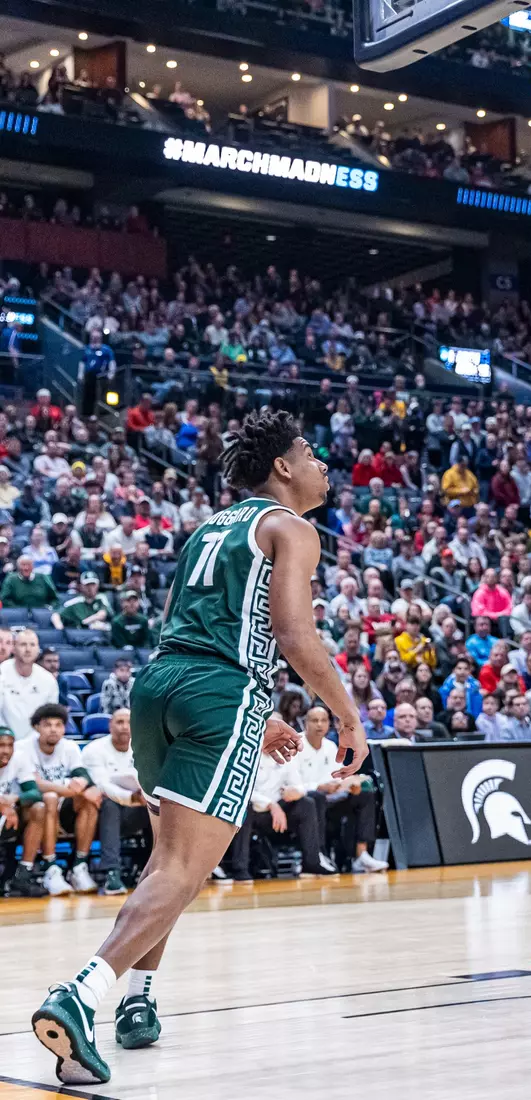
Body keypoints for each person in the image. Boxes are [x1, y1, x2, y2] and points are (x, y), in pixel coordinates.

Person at [32, 410, 367, 1087]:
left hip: (159, 687)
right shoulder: (290, 527)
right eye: (310, 452)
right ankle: (80, 995)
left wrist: (256, 712)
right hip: (219, 691)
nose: (322, 463)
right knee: (183, 870)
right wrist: (347, 714)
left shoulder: (211, 527)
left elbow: (197, 626)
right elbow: (294, 634)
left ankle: (138, 1002)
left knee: (166, 863)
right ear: (282, 468)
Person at [12, 703, 100, 895]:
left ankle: (79, 866)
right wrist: (70, 790)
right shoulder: (22, 748)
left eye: (58, 725)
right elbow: (34, 785)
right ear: (36, 727)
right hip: (31, 810)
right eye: (48, 725)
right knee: (50, 798)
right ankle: (50, 867)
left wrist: (83, 784)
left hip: (62, 810)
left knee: (89, 801)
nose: (53, 729)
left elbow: (83, 775)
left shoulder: (70, 747)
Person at [297, 705, 387, 873]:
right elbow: (290, 783)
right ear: (305, 723)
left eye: (324, 720)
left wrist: (350, 784)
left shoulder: (331, 746)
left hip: (332, 799)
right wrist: (319, 787)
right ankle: (318, 854)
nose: (319, 725)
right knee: (316, 797)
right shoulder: (297, 745)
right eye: (315, 720)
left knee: (365, 794)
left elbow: (338, 776)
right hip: (306, 801)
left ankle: (361, 854)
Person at [81, 709, 149, 896]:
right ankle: (112, 873)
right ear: (110, 726)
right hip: (99, 815)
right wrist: (131, 797)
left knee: (158, 806)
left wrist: (145, 797)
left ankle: (156, 870)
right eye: (119, 722)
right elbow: (102, 785)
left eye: (129, 722)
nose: (125, 727)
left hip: (137, 810)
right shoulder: (94, 749)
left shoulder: (145, 747)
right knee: (109, 804)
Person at [1, 725, 49, 897]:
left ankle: (23, 874)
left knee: (39, 808)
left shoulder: (19, 758)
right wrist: (3, 806)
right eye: (1, 745)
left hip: (11, 817)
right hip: (5, 814)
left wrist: (14, 799)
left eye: (9, 745)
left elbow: (35, 793)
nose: (6, 751)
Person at [0, 629, 61, 741]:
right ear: (13, 648)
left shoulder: (48, 680)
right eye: (23, 644)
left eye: (32, 645)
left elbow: (50, 717)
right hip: (4, 741)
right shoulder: (2, 673)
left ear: (38, 649)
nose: (28, 649)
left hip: (37, 742)